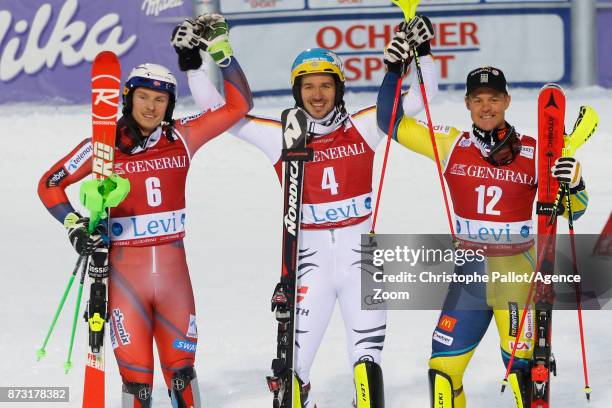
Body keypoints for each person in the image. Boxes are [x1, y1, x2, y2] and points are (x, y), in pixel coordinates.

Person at [182, 14, 436, 408]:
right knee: (290, 377)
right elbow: (222, 115)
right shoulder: (280, 135)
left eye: (326, 85)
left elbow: (422, 99)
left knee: (368, 372)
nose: (318, 95)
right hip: (310, 263)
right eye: (309, 87)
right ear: (297, 91)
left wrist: (422, 53)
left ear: (339, 88)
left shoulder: (365, 125)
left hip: (363, 262)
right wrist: (199, 63)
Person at [37, 17, 252, 408]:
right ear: (128, 97)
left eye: (161, 99)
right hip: (125, 284)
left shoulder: (182, 136)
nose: (152, 107)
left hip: (174, 282)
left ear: (170, 104)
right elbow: (49, 183)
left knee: (183, 377)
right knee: (137, 385)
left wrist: (221, 55)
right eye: (143, 97)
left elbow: (240, 105)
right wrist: (75, 226)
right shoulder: (101, 146)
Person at [377, 41, 594, 406]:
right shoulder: (450, 143)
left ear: (507, 101)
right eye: (478, 99)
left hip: (516, 276)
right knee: (442, 373)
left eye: (493, 98)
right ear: (467, 104)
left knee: (525, 375)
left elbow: (574, 211)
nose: (486, 106)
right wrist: (396, 70)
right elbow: (389, 120)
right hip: (469, 276)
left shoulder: (536, 151)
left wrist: (573, 183)